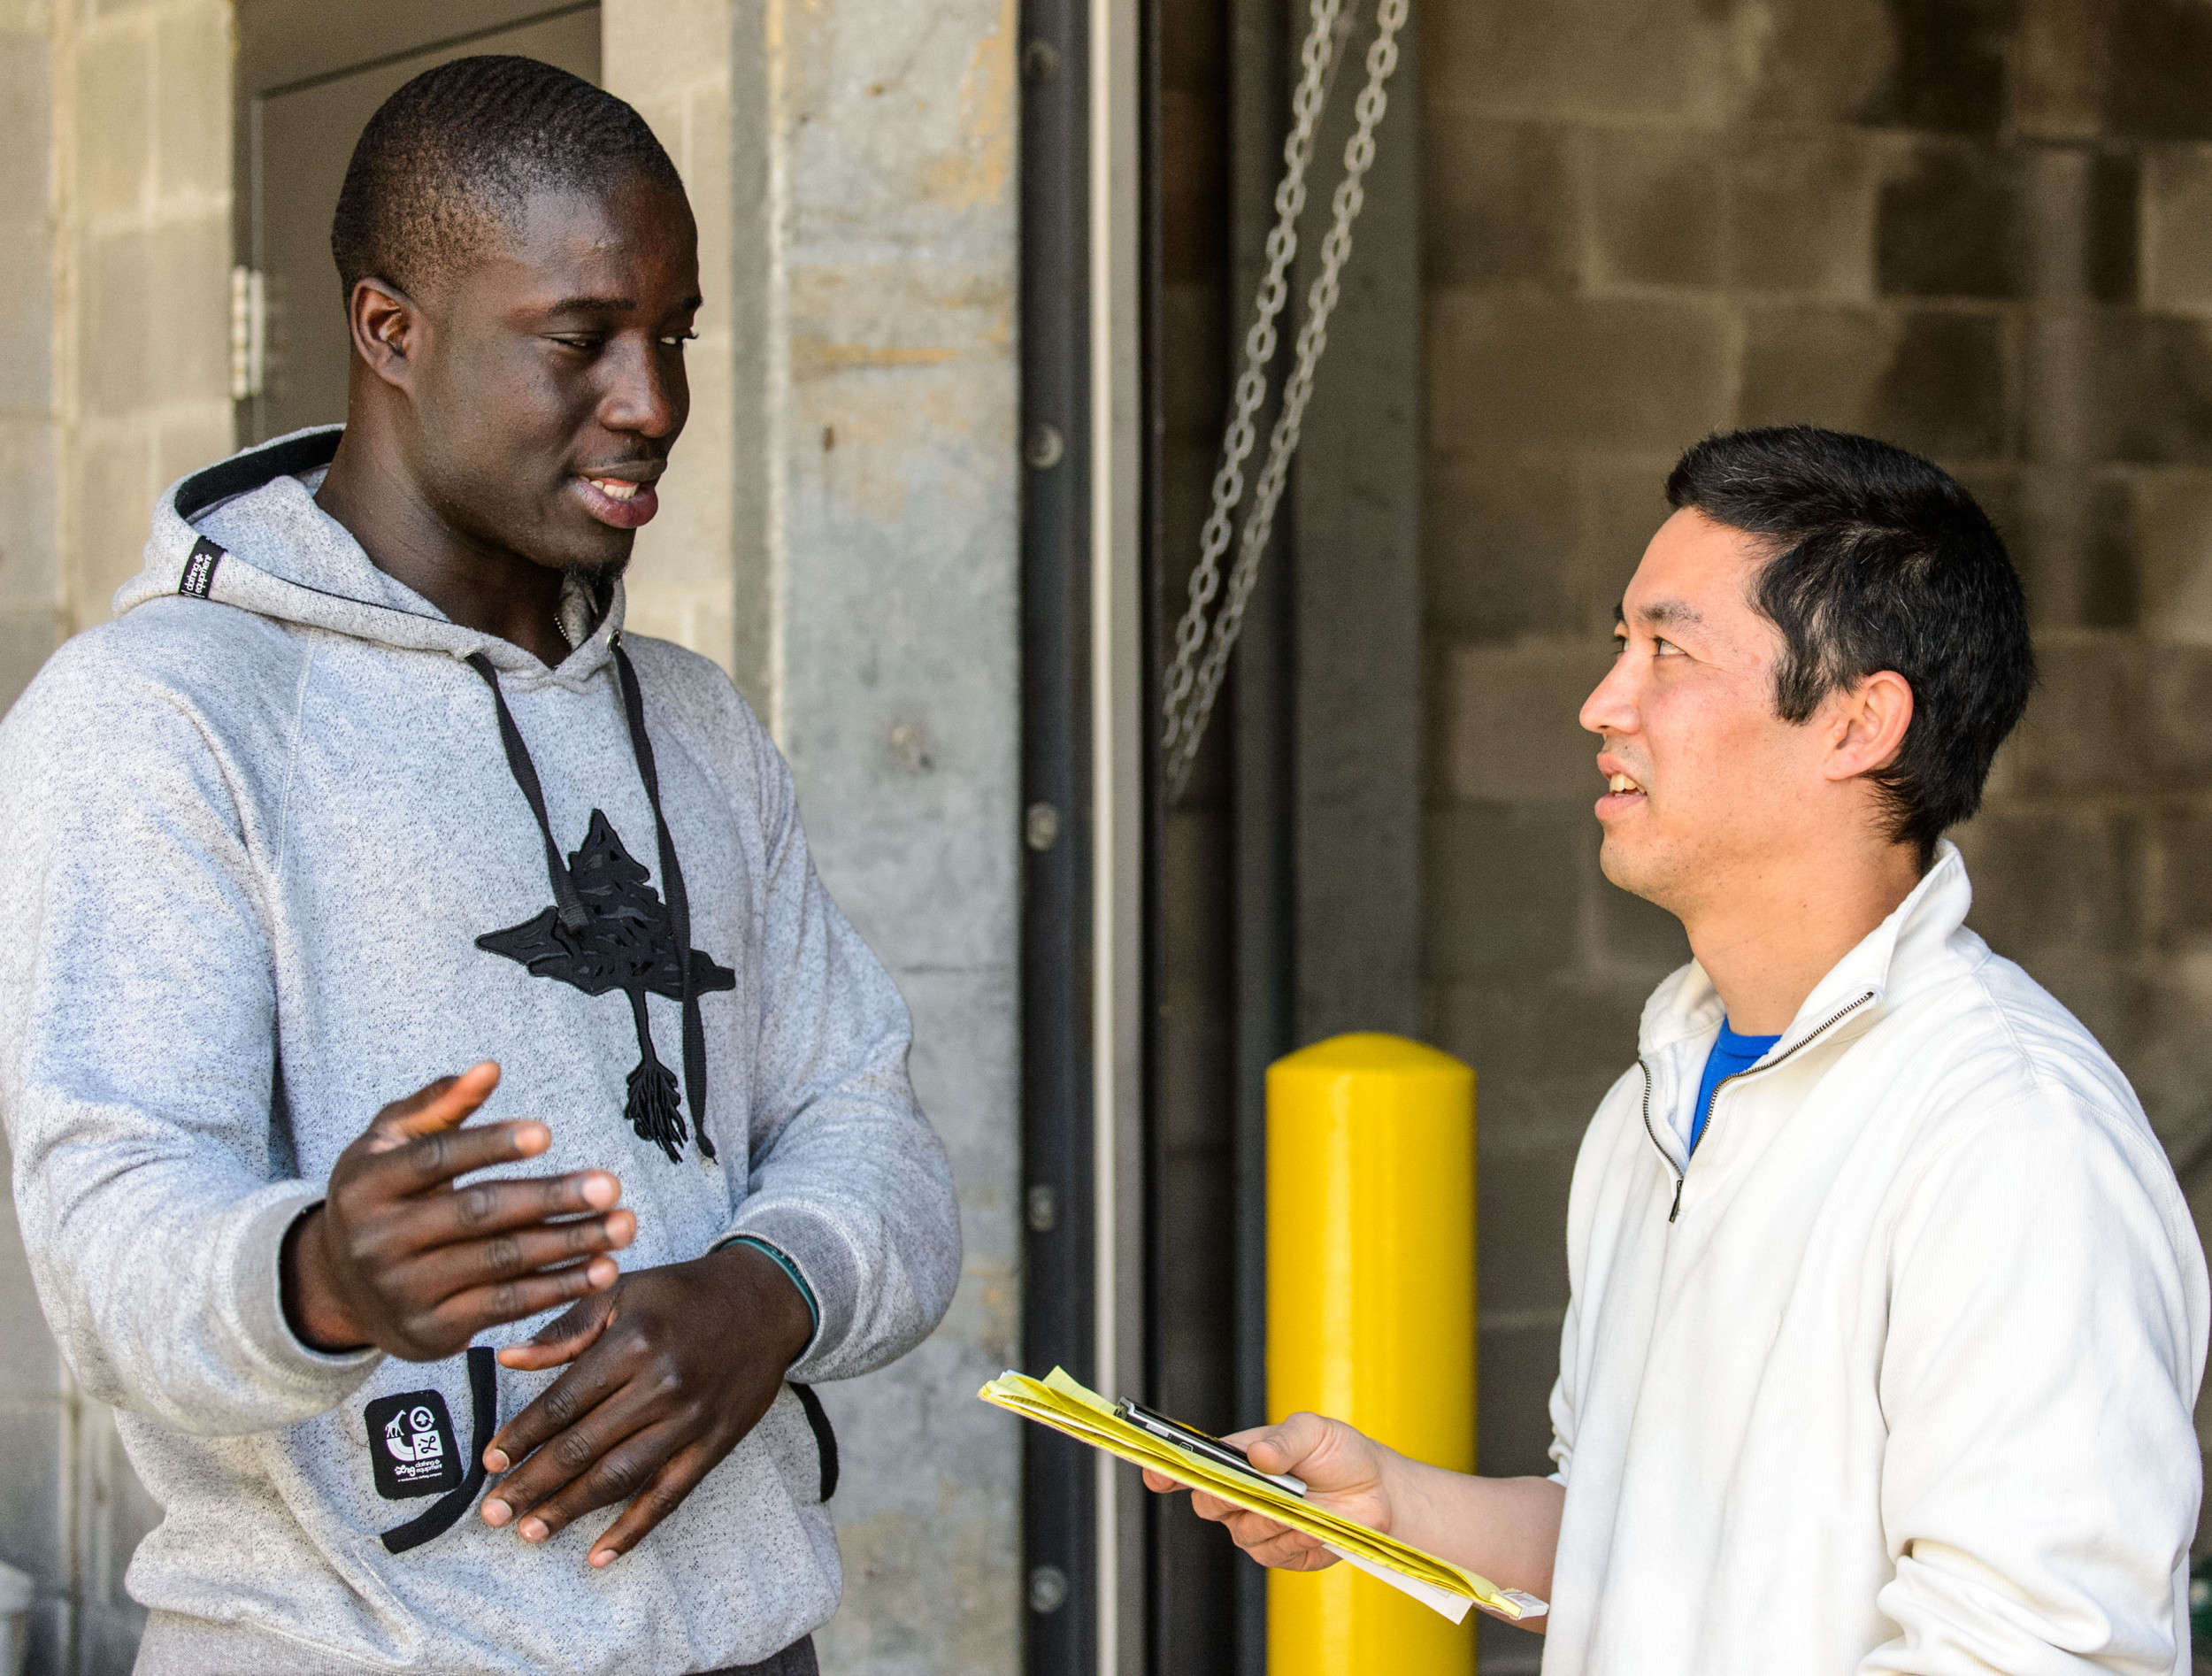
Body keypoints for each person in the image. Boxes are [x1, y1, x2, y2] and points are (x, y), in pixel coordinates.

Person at [0, 56, 959, 1676]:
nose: (653, 402)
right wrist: (318, 1277)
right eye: (582, 340)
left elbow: (873, 1127)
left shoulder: (699, 727)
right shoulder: (159, 715)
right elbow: (108, 1235)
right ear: (391, 330)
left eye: (676, 336)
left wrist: (767, 1290)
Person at [1152, 427, 2209, 1672]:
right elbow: (1628, 1542)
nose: (1602, 704)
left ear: (1859, 722)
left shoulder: (2012, 1138)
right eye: (1621, 644)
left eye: (1669, 649)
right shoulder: (1654, 1101)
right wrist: (1392, 1503)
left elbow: (2040, 1648)